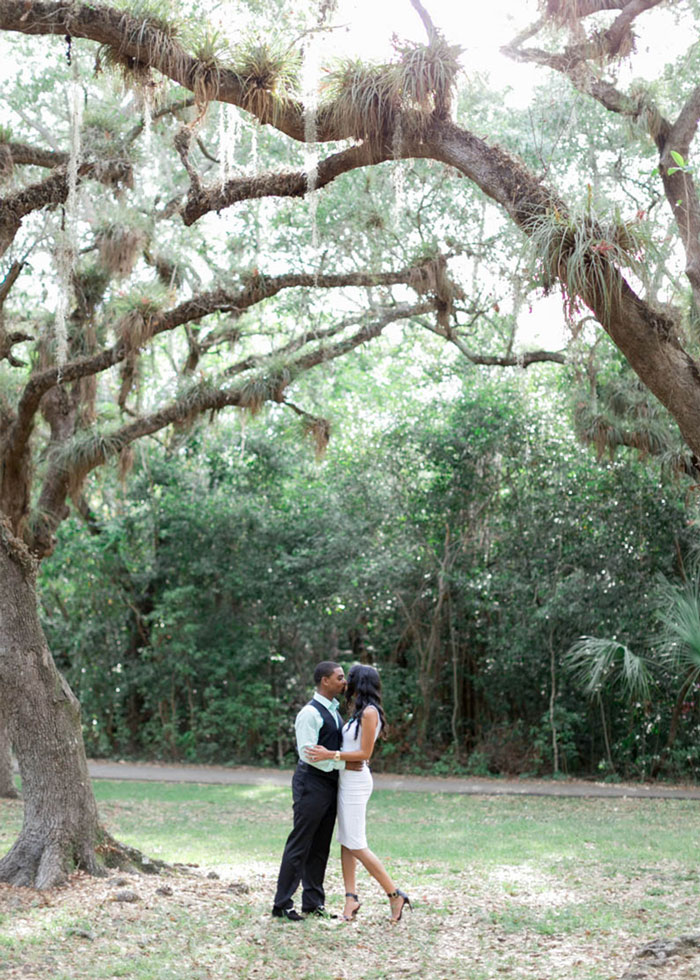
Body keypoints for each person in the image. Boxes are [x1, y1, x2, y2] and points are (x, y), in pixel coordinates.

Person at [305, 664, 412, 923]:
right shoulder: (357, 712)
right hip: (345, 779)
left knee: (357, 843)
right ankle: (350, 899)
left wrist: (331, 755)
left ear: (360, 683)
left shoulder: (370, 713)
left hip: (356, 782)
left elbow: (365, 754)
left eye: (348, 678)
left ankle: (394, 894)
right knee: (346, 841)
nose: (345, 683)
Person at [272, 660, 363, 921]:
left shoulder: (334, 711)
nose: (344, 682)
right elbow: (309, 754)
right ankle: (282, 904)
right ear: (325, 680)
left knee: (321, 846)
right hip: (310, 782)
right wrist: (346, 761)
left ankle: (312, 903)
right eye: (339, 677)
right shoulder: (309, 714)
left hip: (330, 783)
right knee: (301, 843)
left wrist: (339, 762)